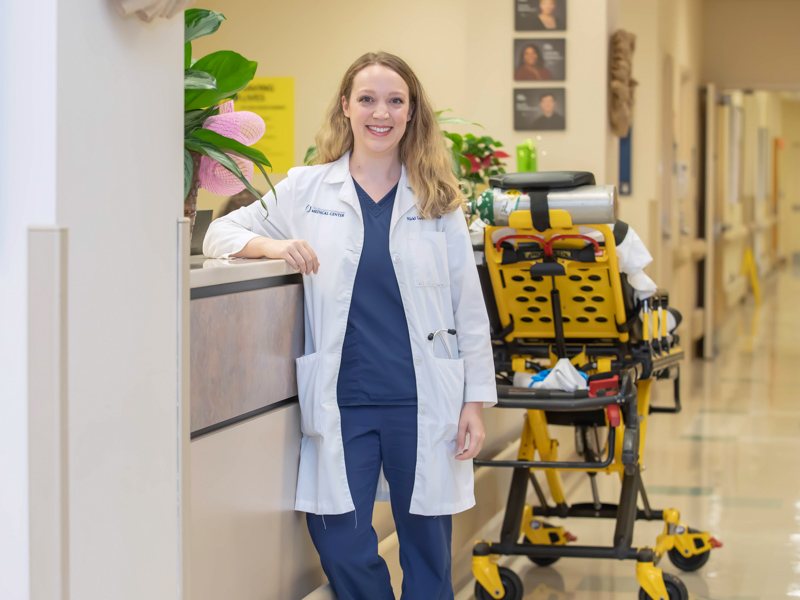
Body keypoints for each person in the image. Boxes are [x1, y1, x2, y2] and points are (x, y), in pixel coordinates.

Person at [203, 52, 497, 600]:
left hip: (423, 398)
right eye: (367, 99)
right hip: (345, 398)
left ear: (412, 114)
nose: (379, 113)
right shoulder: (308, 189)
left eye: (394, 101)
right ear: (346, 107)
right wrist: (275, 244)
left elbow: (468, 310)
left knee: (427, 546)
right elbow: (219, 235)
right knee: (339, 537)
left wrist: (474, 404)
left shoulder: (438, 200)